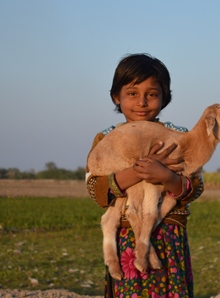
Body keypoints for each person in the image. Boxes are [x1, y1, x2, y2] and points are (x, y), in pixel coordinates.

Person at [85, 53, 204, 297]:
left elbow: (195, 187)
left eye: (151, 94)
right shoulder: (105, 140)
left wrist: (165, 176)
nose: (142, 102)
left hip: (167, 235)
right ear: (116, 97)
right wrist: (141, 169)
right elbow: (97, 191)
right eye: (132, 93)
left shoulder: (177, 138)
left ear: (164, 98)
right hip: (126, 235)